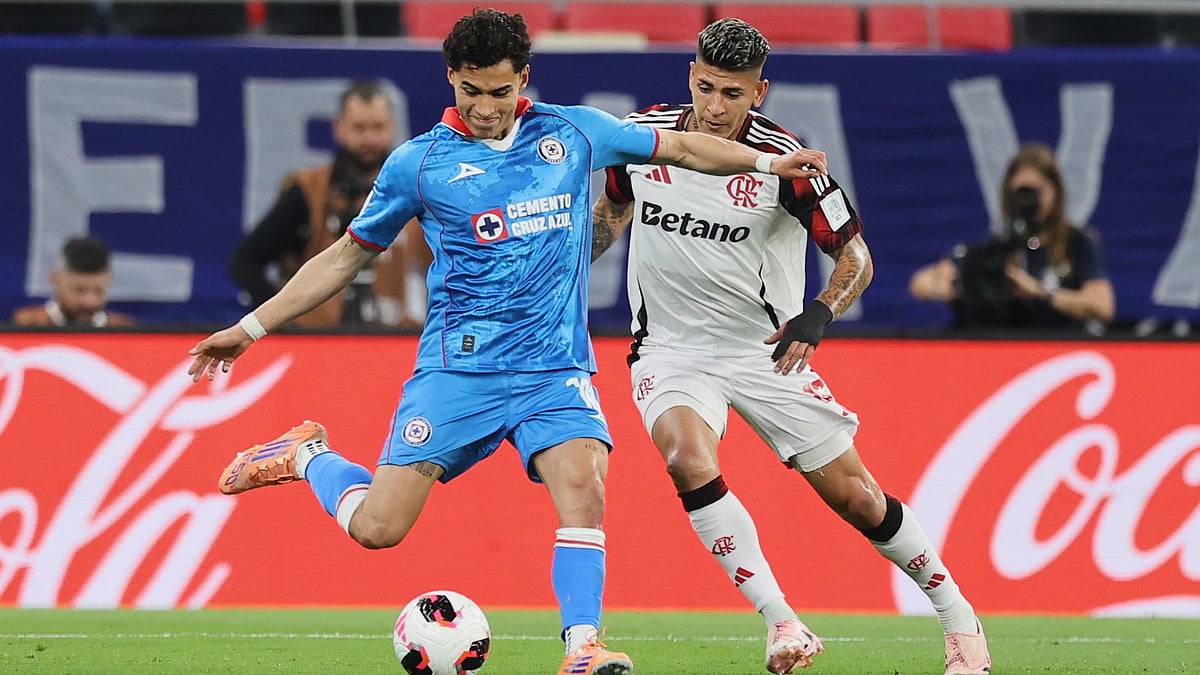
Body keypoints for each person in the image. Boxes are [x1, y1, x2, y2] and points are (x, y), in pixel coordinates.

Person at [186, 9, 825, 675]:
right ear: (450, 79)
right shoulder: (421, 163)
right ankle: (306, 453)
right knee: (378, 529)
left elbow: (688, 148)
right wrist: (250, 326)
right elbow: (345, 257)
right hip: (458, 370)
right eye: (470, 91)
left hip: (554, 368)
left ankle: (583, 646)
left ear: (523, 77)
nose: (485, 108)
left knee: (584, 483)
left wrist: (770, 163)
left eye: (499, 91)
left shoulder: (573, 132)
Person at [590, 18, 990, 675]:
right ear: (691, 73)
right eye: (707, 87)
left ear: (761, 92)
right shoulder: (644, 140)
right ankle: (782, 623)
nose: (717, 107)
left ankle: (958, 618)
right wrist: (569, 261)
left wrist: (821, 312)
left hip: (768, 349)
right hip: (671, 349)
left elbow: (856, 257)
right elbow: (610, 218)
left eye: (734, 94)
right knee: (687, 458)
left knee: (858, 497)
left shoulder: (786, 162)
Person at [228, 81, 430, 330]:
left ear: (393, 128)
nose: (369, 138)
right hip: (319, 343)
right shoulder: (308, 192)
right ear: (339, 129)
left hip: (393, 341)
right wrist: (284, 325)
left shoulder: (414, 193)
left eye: (378, 127)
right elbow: (245, 262)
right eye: (359, 128)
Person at [909, 142, 1115, 333]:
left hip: (1059, 347)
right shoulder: (1001, 243)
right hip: (1006, 345)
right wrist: (942, 286)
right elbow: (920, 283)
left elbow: (1103, 306)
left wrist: (1041, 293)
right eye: (1021, 192)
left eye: (1037, 191)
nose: (1029, 201)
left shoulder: (1078, 242)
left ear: (1055, 191)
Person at [12, 235, 135, 328]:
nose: (89, 301)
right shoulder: (27, 325)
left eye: (99, 291)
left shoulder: (122, 330)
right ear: (55, 279)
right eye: (79, 290)